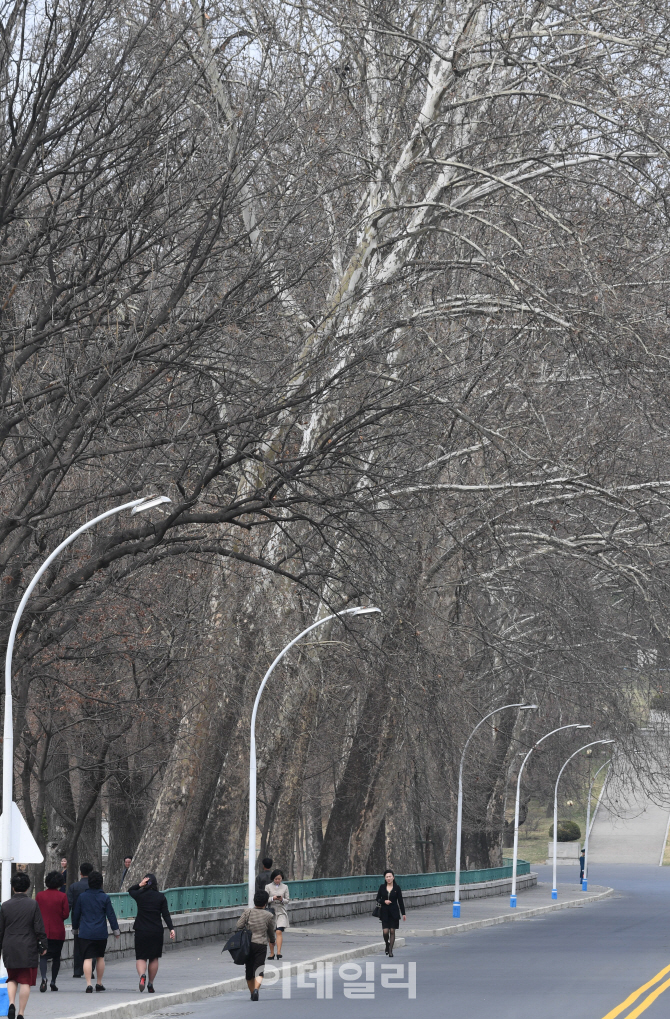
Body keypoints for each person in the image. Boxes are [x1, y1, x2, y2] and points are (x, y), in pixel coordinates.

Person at [0, 871, 47, 1019]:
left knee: (12, 978)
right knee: (25, 981)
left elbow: (1, 929)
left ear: (13, 887)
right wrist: (43, 945)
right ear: (27, 888)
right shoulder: (33, 904)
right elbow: (39, 927)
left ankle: (11, 1004)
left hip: (10, 945)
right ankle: (21, 1012)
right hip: (28, 946)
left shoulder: (5, 906)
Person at [72, 871, 120, 992]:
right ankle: (99, 983)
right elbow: (111, 915)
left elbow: (76, 914)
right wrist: (116, 930)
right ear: (101, 883)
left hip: (85, 932)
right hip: (100, 932)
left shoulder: (82, 897)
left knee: (87, 958)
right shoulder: (104, 897)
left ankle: (88, 984)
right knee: (100, 957)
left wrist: (75, 928)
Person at [128, 874, 175, 993]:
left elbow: (130, 890)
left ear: (145, 882)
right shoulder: (160, 897)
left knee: (141, 957)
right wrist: (171, 929)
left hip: (141, 930)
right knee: (154, 958)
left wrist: (139, 885)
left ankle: (142, 976)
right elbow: (166, 914)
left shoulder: (139, 895)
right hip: (156, 930)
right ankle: (150, 983)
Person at [235, 890, 275, 1002]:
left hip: (247, 945)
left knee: (249, 969)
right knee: (259, 969)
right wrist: (272, 940)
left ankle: (252, 992)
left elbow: (239, 925)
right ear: (265, 902)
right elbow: (271, 931)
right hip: (261, 944)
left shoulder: (247, 912)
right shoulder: (269, 915)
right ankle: (257, 990)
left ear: (254, 901)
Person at [35, 871, 70, 991]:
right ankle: (53, 981)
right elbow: (65, 914)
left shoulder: (39, 895)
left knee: (43, 956)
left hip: (42, 931)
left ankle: (44, 977)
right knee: (56, 957)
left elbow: (36, 913)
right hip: (58, 930)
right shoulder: (62, 896)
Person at [67, 862, 93, 978]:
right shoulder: (95, 886)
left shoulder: (74, 887)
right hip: (93, 919)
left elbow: (69, 904)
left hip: (77, 920)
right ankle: (90, 970)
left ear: (80, 872)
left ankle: (77, 970)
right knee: (92, 946)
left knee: (77, 945)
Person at [376, 869, 406, 958]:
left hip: (394, 912)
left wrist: (403, 913)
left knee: (392, 930)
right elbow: (377, 898)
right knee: (385, 932)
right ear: (385, 878)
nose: (388, 878)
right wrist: (384, 901)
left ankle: (390, 950)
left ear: (393, 877)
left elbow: (400, 901)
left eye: (390, 876)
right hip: (384, 912)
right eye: (387, 877)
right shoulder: (382, 887)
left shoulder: (397, 888)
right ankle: (387, 944)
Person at [265, 870, 289, 959]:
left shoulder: (285, 887)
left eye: (279, 879)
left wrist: (282, 899)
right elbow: (265, 899)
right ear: (273, 878)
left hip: (281, 910)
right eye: (276, 879)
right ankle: (272, 953)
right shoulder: (268, 887)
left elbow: (287, 900)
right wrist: (272, 898)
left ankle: (279, 952)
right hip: (271, 911)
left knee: (279, 931)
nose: (278, 881)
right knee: (271, 933)